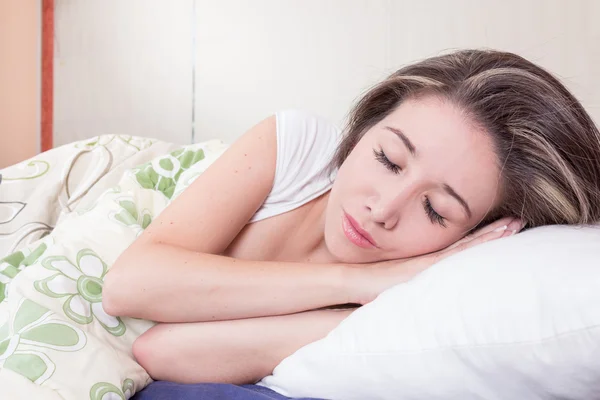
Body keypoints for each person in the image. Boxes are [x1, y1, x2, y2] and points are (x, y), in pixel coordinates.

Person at [102, 49, 600, 386]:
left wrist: (379, 293)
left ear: (471, 235)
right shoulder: (298, 149)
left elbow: (162, 350)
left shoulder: (413, 308)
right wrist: (361, 279)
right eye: (387, 159)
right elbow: (128, 284)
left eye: (435, 209)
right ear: (364, 127)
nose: (382, 209)